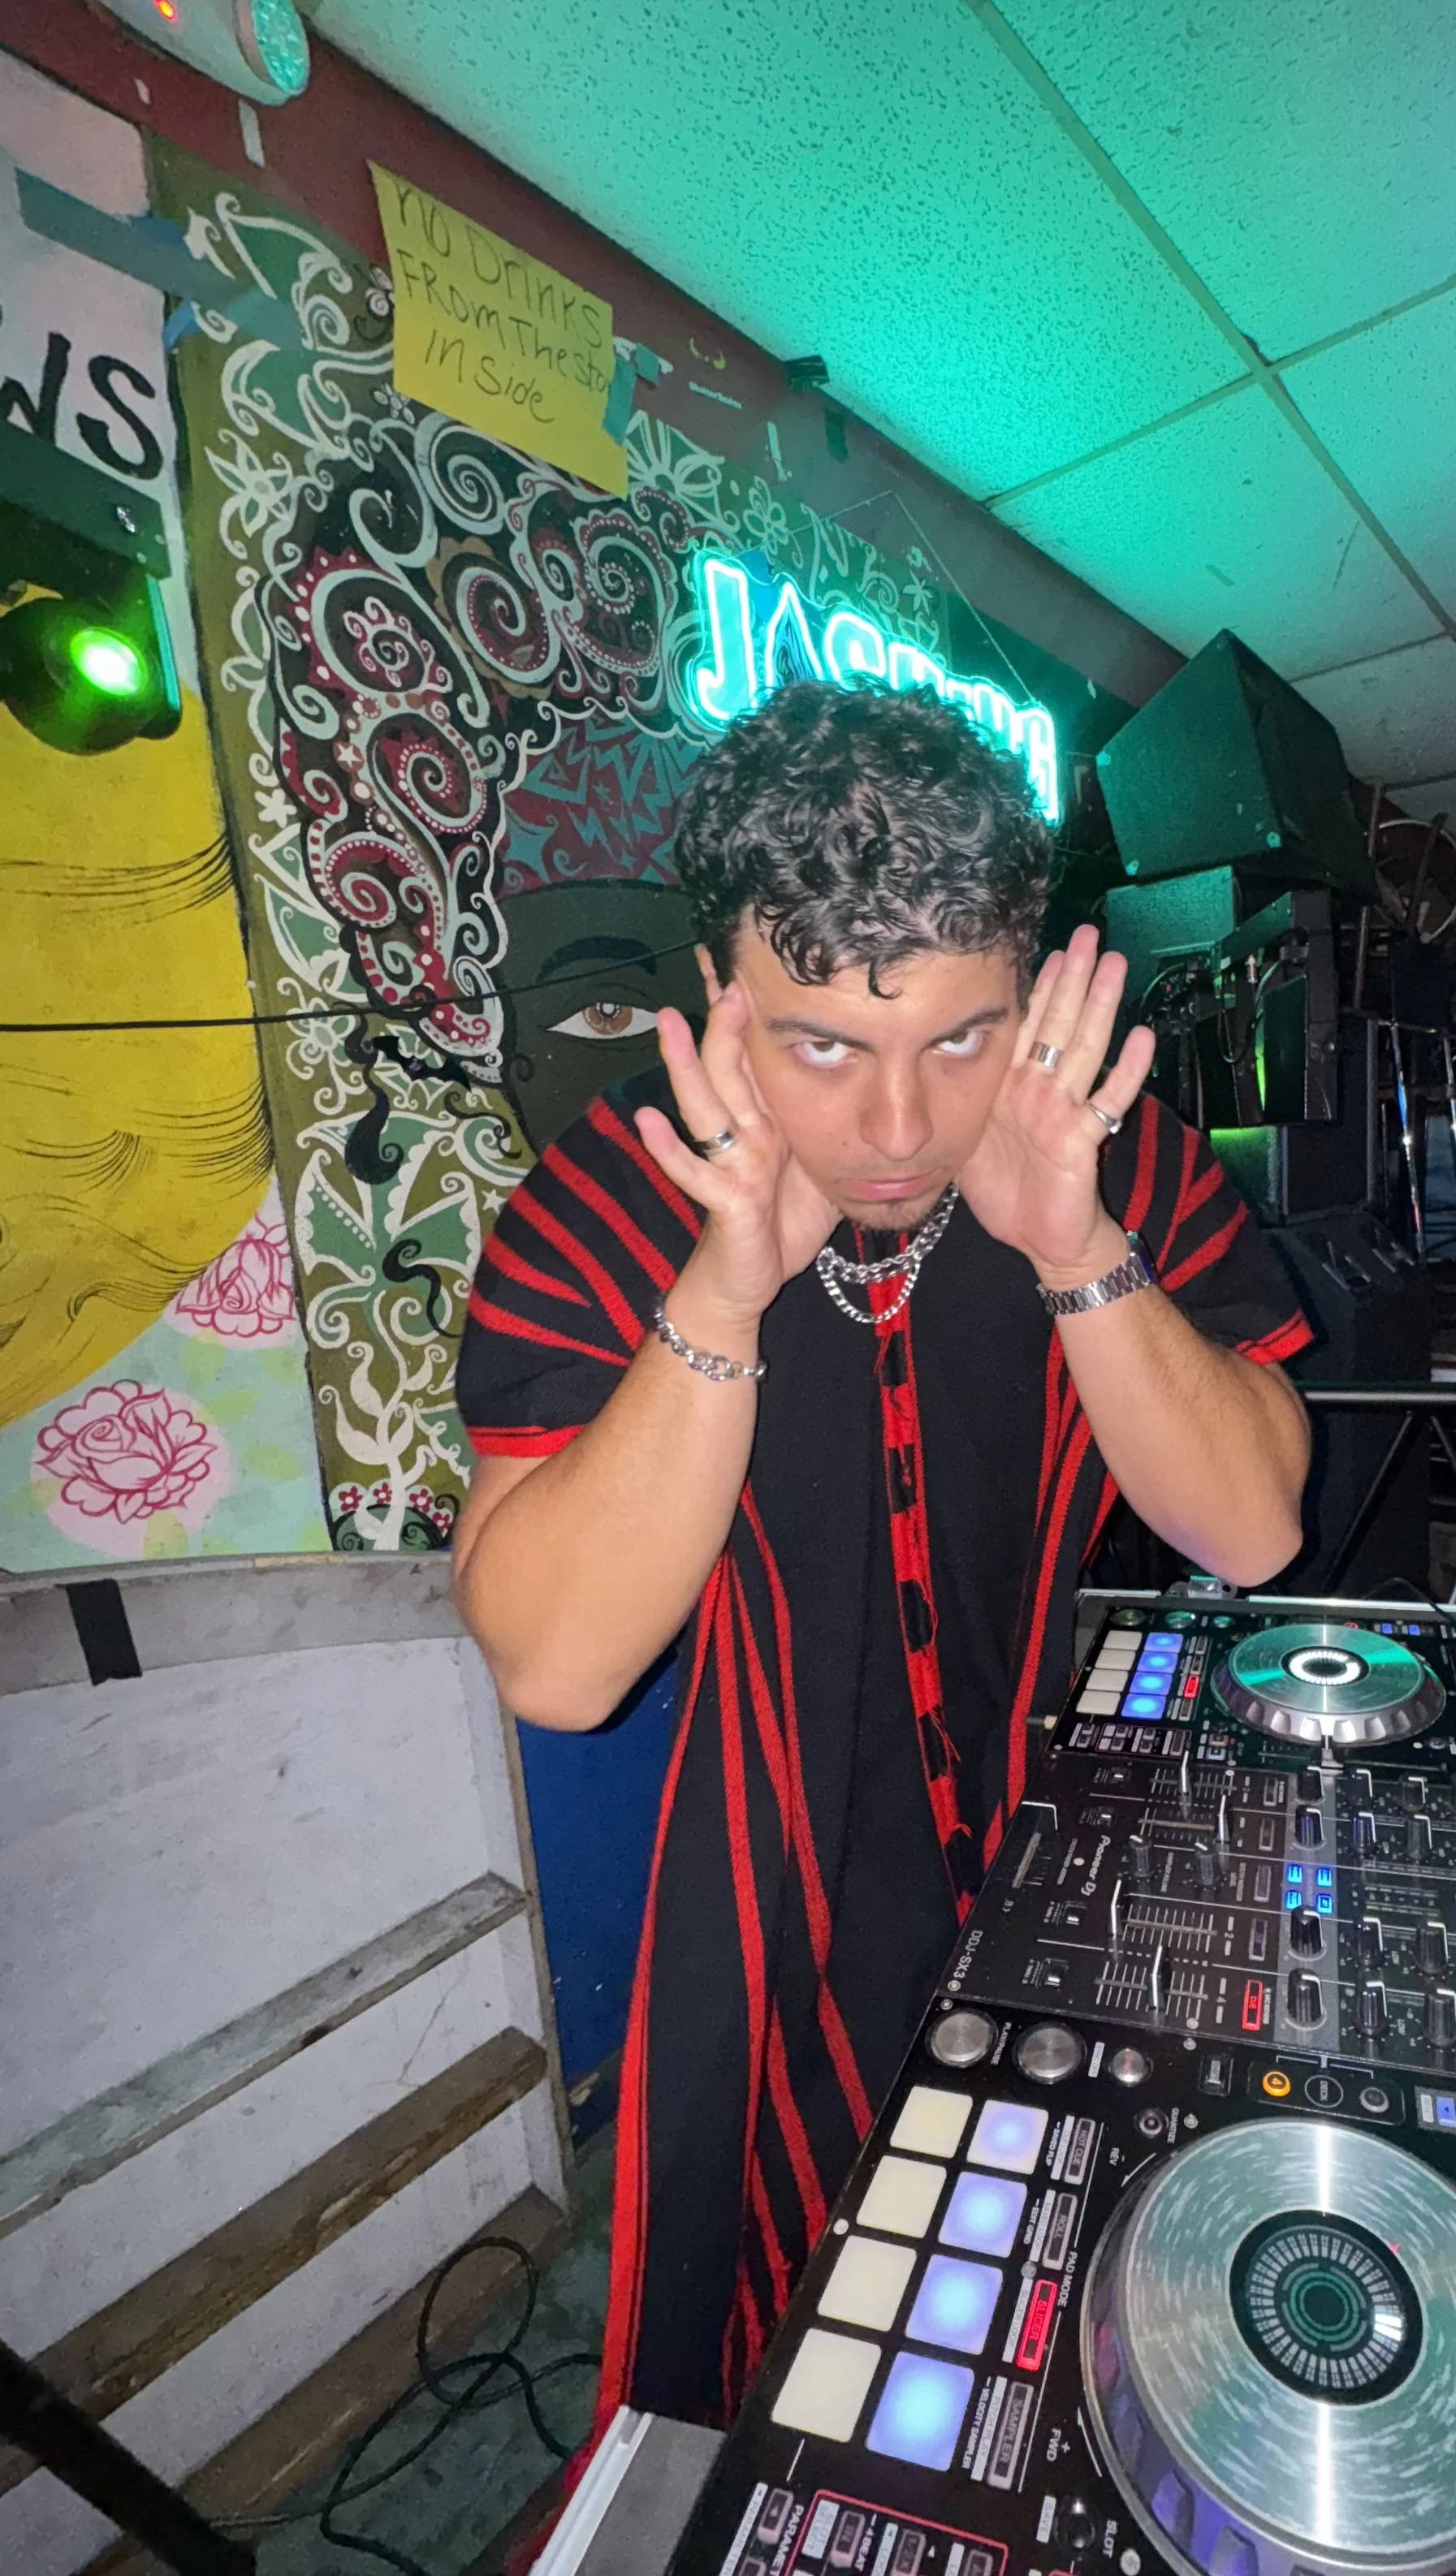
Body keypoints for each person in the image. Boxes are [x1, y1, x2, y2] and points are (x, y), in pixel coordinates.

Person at [451, 680, 1313, 2423]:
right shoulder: (601, 1205)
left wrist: (1076, 1248)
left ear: (1034, 987)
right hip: (765, 1892)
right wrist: (719, 1290)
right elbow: (555, 1664)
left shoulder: (1107, 1149)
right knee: (769, 2371)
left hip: (1085, 1839)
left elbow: (1252, 1522)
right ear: (717, 998)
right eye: (822, 1043)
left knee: (1098, 2348)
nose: (901, 1128)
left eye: (960, 1036)